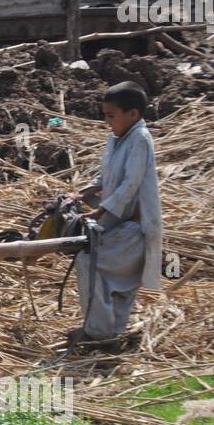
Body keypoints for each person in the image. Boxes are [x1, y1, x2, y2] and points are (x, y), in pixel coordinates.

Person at [72, 81, 163, 349]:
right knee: (117, 281)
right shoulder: (117, 140)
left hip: (136, 227)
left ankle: (99, 333)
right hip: (120, 221)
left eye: (111, 115)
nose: (107, 121)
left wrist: (102, 208)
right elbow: (107, 176)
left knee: (89, 262)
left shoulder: (140, 139)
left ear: (133, 114)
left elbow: (131, 184)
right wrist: (83, 192)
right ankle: (107, 332)